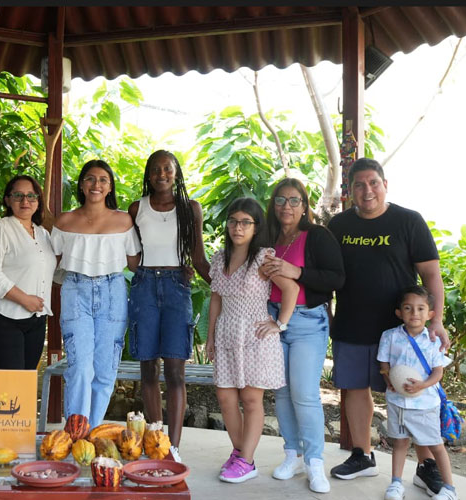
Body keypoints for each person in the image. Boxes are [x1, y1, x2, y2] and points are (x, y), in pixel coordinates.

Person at [327, 157, 449, 494]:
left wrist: (435, 320)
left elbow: (431, 275)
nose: (367, 190)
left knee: (413, 395)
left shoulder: (408, 221)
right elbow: (324, 275)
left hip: (403, 332)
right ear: (349, 191)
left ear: (385, 184)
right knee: (354, 389)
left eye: (373, 183)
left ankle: (425, 466)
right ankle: (362, 455)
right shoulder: (338, 226)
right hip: (352, 324)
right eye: (359, 185)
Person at [259, 178, 345, 493]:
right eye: (281, 200)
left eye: (294, 200)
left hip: (309, 322)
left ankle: (314, 462)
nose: (287, 206)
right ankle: (292, 454)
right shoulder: (267, 237)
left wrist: (298, 272)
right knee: (280, 392)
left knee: (305, 393)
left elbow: (337, 278)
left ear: (305, 205)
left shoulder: (317, 236)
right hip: (272, 320)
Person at [127, 150, 212, 463]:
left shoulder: (190, 208)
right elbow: (130, 254)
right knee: (148, 367)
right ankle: (154, 441)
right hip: (145, 285)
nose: (161, 174)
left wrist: (225, 287)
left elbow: (199, 256)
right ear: (148, 175)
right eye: (155, 170)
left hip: (177, 286)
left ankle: (172, 449)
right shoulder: (137, 208)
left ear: (176, 174)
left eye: (168, 169)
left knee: (175, 371)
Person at [206, 197, 298, 483]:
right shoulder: (220, 257)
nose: (238, 227)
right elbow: (216, 299)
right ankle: (240, 453)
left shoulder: (262, 257)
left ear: (256, 227)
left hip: (256, 334)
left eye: (246, 222)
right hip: (226, 332)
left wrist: (279, 324)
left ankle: (246, 460)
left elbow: (291, 288)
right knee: (225, 396)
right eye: (233, 220)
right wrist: (209, 337)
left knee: (251, 399)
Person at [52, 159, 141, 429]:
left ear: (110, 186)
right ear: (81, 184)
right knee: (80, 367)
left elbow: (136, 263)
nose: (96, 184)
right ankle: (75, 433)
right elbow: (49, 262)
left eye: (103, 179)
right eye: (90, 178)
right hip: (75, 290)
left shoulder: (124, 220)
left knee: (105, 369)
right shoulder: (65, 221)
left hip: (113, 290)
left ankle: (91, 433)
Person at [378, 285, 457, 500]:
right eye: (408, 308)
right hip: (397, 401)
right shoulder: (390, 336)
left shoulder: (433, 341)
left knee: (435, 445)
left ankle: (450, 489)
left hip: (424, 403)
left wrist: (422, 385)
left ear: (430, 314)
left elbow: (437, 373)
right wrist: (388, 379)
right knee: (400, 442)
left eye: (421, 309)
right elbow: (384, 363)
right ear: (399, 312)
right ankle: (396, 483)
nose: (414, 314)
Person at [0, 174, 57, 370]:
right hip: (5, 317)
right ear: (7, 199)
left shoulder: (43, 233)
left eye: (31, 196)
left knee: (27, 381)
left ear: (38, 200)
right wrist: (24, 299)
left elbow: (49, 272)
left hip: (37, 319)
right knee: (10, 382)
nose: (26, 201)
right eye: (18, 195)